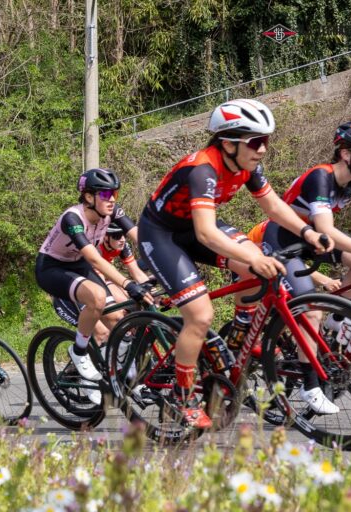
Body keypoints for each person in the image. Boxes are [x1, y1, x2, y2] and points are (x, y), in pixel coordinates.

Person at [138, 99, 334, 428]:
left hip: (197, 228)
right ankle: (180, 395)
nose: (263, 150)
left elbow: (272, 205)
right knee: (200, 315)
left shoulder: (247, 165)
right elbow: (207, 233)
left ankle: (234, 345)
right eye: (256, 142)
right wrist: (256, 255)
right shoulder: (203, 169)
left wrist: (306, 231)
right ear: (228, 143)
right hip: (162, 235)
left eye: (266, 141)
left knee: (258, 272)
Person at [248, 120, 351, 413]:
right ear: (345, 153)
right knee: (312, 310)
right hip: (284, 242)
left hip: (314, 242)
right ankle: (310, 387)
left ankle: (335, 323)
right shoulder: (320, 178)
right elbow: (328, 231)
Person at [36, 168, 153, 405]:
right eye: (106, 194)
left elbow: (141, 237)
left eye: (115, 194)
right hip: (52, 268)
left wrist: (169, 259)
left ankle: (119, 372)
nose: (111, 199)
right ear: (88, 197)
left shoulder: (112, 213)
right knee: (98, 298)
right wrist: (127, 283)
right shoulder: (73, 219)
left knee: (119, 318)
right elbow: (95, 260)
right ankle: (79, 352)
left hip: (78, 266)